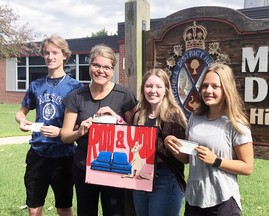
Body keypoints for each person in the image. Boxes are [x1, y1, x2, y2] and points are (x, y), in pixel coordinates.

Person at [164, 63, 254, 216]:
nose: (208, 91)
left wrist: (215, 160)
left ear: (226, 89)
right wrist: (173, 145)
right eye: (205, 86)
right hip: (194, 199)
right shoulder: (195, 117)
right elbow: (186, 159)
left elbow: (247, 167)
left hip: (223, 201)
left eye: (215, 86)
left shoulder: (235, 124)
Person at [60, 44, 138, 216]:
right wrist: (79, 131)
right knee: (86, 212)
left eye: (106, 67)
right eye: (96, 65)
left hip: (115, 167)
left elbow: (135, 134)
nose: (101, 71)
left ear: (113, 70)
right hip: (84, 167)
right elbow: (65, 136)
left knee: (115, 212)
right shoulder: (76, 97)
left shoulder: (124, 95)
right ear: (90, 66)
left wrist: (117, 120)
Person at [15, 34, 83, 216]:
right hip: (38, 153)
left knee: (63, 206)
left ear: (64, 55)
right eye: (46, 53)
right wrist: (22, 121)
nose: (50, 57)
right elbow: (21, 112)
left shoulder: (75, 87)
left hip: (63, 155)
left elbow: (80, 127)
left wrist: (60, 131)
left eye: (55, 52)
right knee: (34, 206)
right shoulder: (36, 85)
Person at [132, 68, 187, 216]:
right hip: (140, 176)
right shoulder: (139, 115)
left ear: (166, 90)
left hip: (165, 177)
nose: (152, 90)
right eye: (149, 86)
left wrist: (170, 146)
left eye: (158, 86)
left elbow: (185, 158)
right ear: (143, 88)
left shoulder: (173, 115)